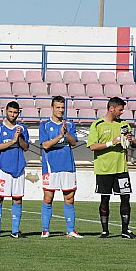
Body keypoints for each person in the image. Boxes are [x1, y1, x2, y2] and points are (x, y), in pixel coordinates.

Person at [87, 96, 136, 239]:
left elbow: (134, 145)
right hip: (104, 169)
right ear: (111, 108)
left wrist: (132, 140)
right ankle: (105, 231)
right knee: (105, 199)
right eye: (120, 110)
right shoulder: (97, 125)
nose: (122, 113)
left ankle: (125, 230)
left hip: (121, 169)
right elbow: (92, 146)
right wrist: (111, 143)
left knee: (125, 198)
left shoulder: (124, 125)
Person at [39, 96, 82, 238]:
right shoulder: (44, 125)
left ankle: (70, 230)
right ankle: (45, 230)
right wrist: (59, 136)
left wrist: (66, 133)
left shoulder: (69, 124)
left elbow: (74, 142)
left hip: (68, 166)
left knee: (69, 198)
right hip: (51, 167)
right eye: (57, 107)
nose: (60, 110)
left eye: (62, 107)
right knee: (48, 197)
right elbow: (45, 145)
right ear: (52, 108)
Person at [0, 101, 29, 238]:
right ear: (6, 111)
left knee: (17, 199)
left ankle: (14, 231)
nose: (13, 115)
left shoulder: (22, 128)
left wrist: (19, 139)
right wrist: (12, 141)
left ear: (18, 113)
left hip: (18, 167)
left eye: (15, 112)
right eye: (10, 112)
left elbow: (26, 147)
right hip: (2, 168)